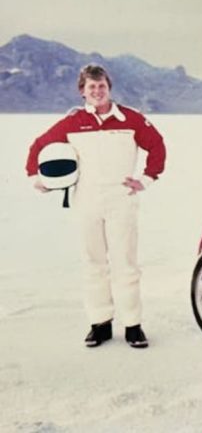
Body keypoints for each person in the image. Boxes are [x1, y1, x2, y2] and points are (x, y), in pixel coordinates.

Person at [25, 64, 166, 348]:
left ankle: (132, 325)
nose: (98, 91)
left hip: (121, 199)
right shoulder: (73, 122)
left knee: (125, 263)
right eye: (92, 87)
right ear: (82, 92)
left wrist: (146, 179)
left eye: (102, 86)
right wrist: (36, 178)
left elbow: (157, 146)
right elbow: (38, 145)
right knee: (93, 263)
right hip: (86, 200)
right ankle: (100, 324)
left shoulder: (131, 119)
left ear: (109, 87)